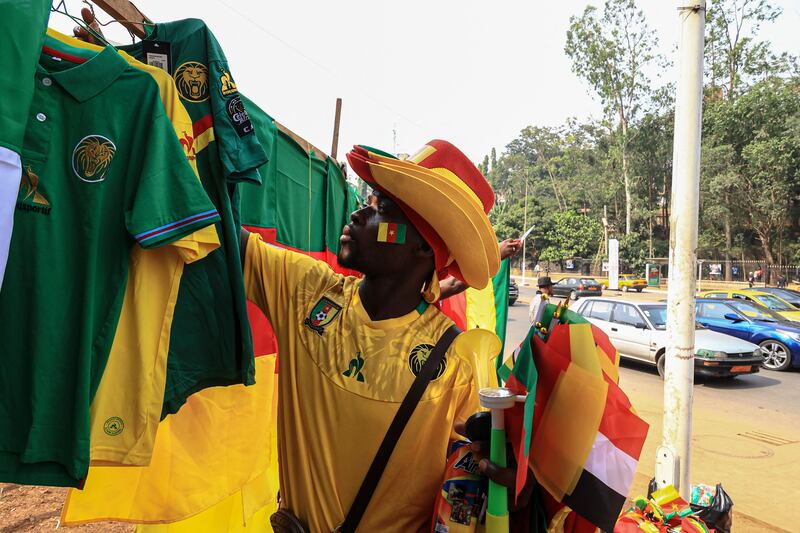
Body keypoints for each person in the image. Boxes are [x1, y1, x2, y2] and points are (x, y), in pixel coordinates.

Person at [240, 141, 526, 531]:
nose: (359, 214)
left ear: (423, 249)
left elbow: (471, 482)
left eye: (383, 210)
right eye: (370, 201)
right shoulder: (306, 293)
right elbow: (217, 232)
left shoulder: (457, 362)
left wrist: (508, 482)